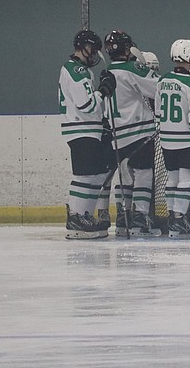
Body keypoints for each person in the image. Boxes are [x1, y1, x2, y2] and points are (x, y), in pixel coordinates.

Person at [58, 29, 118, 239]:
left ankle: (85, 215)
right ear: (84, 48)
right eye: (93, 49)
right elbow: (87, 104)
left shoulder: (79, 70)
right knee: (84, 175)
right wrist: (103, 90)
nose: (94, 54)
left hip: (89, 129)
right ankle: (76, 217)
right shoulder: (76, 70)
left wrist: (102, 122)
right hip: (80, 129)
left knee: (98, 173)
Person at [104, 30, 162, 237]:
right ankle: (140, 216)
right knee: (144, 174)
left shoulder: (108, 70)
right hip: (139, 131)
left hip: (117, 134)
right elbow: (159, 87)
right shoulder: (133, 68)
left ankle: (123, 216)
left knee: (125, 177)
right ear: (126, 49)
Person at [155, 39, 190, 239]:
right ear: (187, 56)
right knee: (187, 180)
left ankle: (172, 216)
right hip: (188, 140)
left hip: (167, 139)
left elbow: (159, 111)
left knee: (172, 178)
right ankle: (180, 218)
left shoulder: (162, 81)